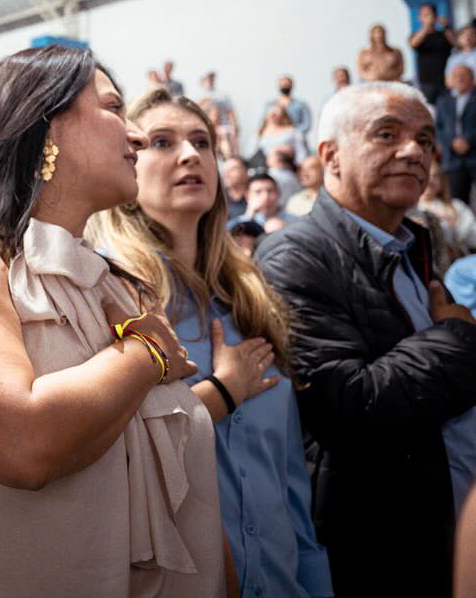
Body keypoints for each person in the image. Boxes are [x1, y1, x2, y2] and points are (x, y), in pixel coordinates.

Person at [0, 46, 222, 597]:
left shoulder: (115, 280)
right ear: (48, 125)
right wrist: (143, 355)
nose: (135, 134)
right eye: (113, 109)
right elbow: (20, 444)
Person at [92, 87, 333, 598]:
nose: (190, 155)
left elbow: (288, 479)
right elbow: (104, 454)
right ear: (126, 158)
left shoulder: (252, 300)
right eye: (162, 141)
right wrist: (223, 393)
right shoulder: (107, 297)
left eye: (202, 142)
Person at [257, 82, 476, 596]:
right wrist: (457, 336)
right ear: (330, 154)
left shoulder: (414, 244)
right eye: (387, 134)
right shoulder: (293, 256)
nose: (414, 151)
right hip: (377, 544)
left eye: (425, 139)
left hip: (441, 526)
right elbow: (347, 404)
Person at [418, 160, 476, 274]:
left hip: (458, 267)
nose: (430, 181)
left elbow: (474, 238)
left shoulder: (456, 206)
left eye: (435, 176)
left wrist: (456, 223)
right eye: (427, 175)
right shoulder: (410, 209)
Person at [438, 63, 476, 204]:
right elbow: (438, 127)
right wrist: (451, 142)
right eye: (456, 76)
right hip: (453, 160)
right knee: (458, 203)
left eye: (463, 76)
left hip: (474, 154)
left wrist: (468, 141)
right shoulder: (443, 101)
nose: (459, 79)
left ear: (472, 79)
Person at [411, 3, 457, 104]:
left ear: (435, 16)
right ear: (420, 18)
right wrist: (426, 27)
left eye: (429, 14)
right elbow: (413, 44)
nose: (427, 17)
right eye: (424, 15)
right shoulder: (416, 34)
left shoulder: (444, 33)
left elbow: (455, 43)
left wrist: (446, 26)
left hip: (445, 80)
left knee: (446, 109)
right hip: (426, 82)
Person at [262, 76, 312, 147]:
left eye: (287, 84)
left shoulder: (301, 105)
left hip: (294, 143)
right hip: (273, 142)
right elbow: (263, 123)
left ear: (292, 86)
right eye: (282, 84)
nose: (284, 86)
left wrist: (290, 132)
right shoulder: (270, 105)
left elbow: (306, 125)